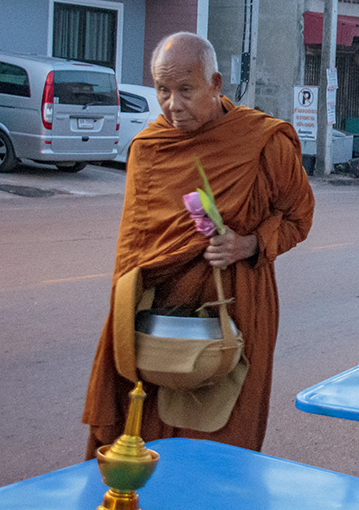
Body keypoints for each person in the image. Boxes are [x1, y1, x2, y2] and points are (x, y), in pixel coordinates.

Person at [82, 33, 315, 456]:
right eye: (162, 91)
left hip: (237, 307)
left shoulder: (262, 142)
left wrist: (248, 244)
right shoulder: (150, 148)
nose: (172, 104)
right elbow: (134, 247)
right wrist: (122, 316)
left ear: (216, 83)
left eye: (185, 90)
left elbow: (299, 218)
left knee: (224, 435)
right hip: (159, 311)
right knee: (149, 430)